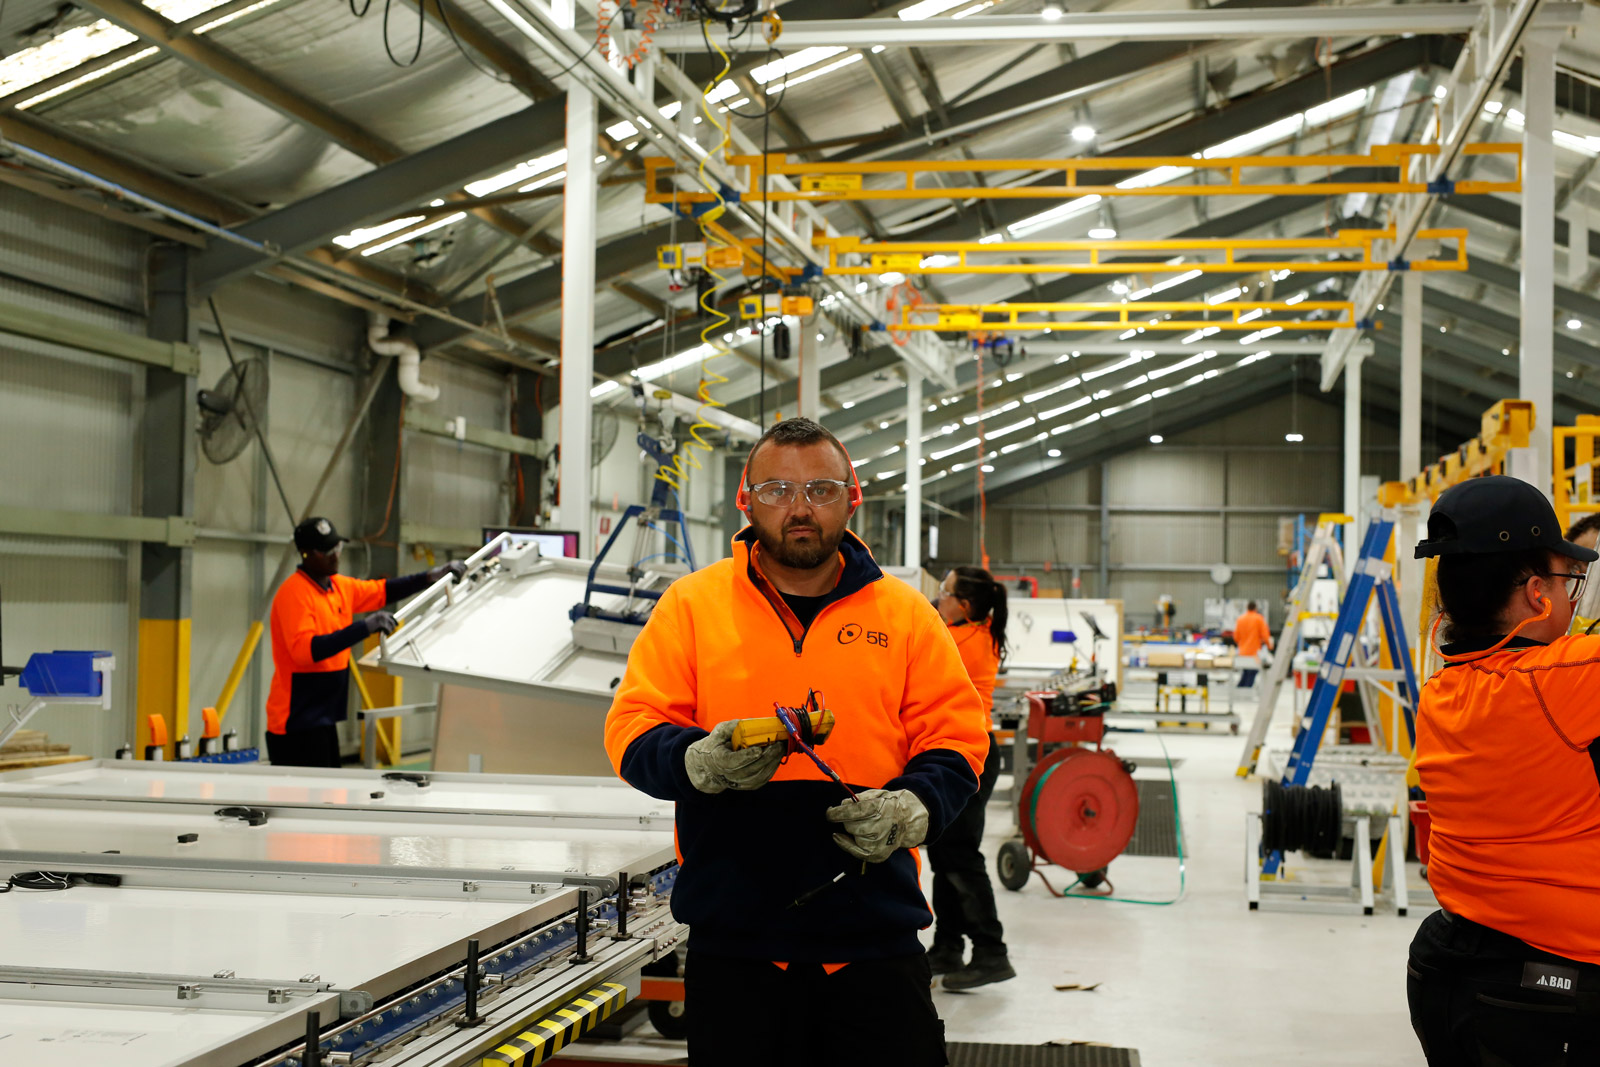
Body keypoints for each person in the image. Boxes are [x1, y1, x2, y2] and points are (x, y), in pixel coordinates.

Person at [604, 417, 987, 1067]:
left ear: (853, 495)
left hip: (874, 945)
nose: (800, 507)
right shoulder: (692, 607)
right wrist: (695, 760)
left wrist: (915, 805)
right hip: (739, 948)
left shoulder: (905, 614)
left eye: (822, 488)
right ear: (746, 500)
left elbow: (954, 734)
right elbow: (633, 726)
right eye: (778, 489)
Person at [1407, 475, 1600, 1065]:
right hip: (1546, 987)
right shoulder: (1566, 680)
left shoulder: (1442, 692)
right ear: (1538, 593)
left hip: (1447, 961)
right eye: (1570, 583)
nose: (1575, 600)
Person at [267, 517, 464, 768]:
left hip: (323, 717)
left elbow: (383, 590)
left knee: (327, 794)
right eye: (327, 551)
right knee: (304, 800)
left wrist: (430, 577)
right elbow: (307, 651)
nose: (335, 556)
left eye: (337, 548)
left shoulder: (338, 587)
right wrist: (364, 628)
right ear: (307, 554)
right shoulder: (293, 594)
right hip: (295, 722)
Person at [928, 565, 1014, 990]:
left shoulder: (962, 640)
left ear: (963, 605)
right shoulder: (973, 632)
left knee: (959, 855)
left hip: (970, 756)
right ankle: (946, 947)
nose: (937, 598)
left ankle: (990, 951)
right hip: (958, 751)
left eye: (943, 592)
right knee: (944, 855)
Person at [1233, 601, 1273, 687]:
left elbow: (1236, 637)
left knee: (1246, 672)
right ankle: (1245, 692)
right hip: (1254, 654)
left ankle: (1240, 689)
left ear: (1247, 607)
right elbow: (1265, 635)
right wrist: (1269, 646)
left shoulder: (1240, 619)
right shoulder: (1259, 619)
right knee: (1252, 672)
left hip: (1242, 652)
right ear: (1255, 608)